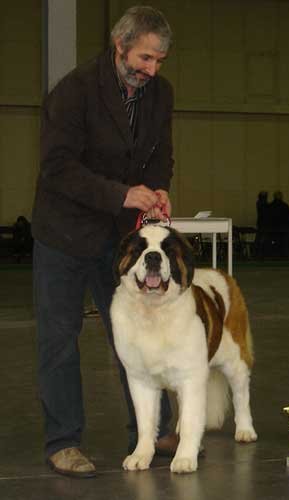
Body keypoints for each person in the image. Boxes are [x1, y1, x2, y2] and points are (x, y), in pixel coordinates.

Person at [32, 6, 177, 478]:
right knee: (59, 339)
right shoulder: (73, 92)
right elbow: (58, 168)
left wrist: (158, 189)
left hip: (118, 239)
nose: (151, 70)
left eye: (159, 61)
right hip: (63, 233)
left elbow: (160, 153)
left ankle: (155, 431)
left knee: (137, 336)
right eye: (145, 58)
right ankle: (64, 441)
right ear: (120, 46)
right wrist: (121, 195)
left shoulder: (160, 94)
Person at [266, 191, 289, 258]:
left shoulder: (270, 206)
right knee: (283, 242)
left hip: (273, 230)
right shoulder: (285, 206)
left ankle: (274, 254)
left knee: (274, 243)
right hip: (282, 229)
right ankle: (284, 254)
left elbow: (267, 218)